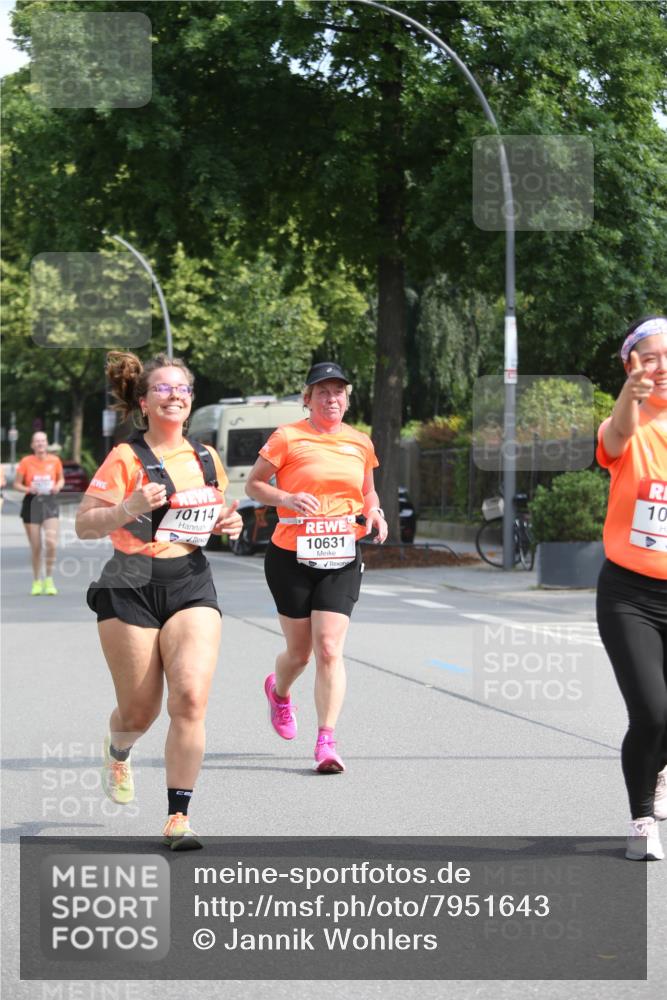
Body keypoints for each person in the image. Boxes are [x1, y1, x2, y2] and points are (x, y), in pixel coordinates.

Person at [75, 351, 243, 850]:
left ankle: (178, 816)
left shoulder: (206, 459)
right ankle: (119, 751)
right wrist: (126, 507)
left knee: (190, 697)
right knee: (139, 712)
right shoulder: (126, 458)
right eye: (164, 389)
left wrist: (225, 526)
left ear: (191, 402)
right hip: (129, 580)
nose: (174, 396)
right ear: (144, 403)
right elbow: (85, 524)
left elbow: (207, 520)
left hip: (190, 579)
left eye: (183, 389)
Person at [246, 361, 388, 774]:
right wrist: (286, 499)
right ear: (307, 399)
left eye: (338, 391)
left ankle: (326, 740)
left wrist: (375, 513)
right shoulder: (287, 437)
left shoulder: (360, 442)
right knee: (300, 652)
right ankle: (280, 692)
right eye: (322, 391)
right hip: (291, 555)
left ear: (347, 398)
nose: (332, 398)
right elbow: (255, 485)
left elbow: (368, 492)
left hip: (342, 552)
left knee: (329, 648)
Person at [596, 315, 667, 861]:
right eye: (649, 357)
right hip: (631, 593)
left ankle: (659, 768)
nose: (660, 367)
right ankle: (641, 818)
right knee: (652, 712)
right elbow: (617, 434)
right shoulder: (628, 423)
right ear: (631, 366)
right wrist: (630, 395)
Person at [14, 431, 65, 595]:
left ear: (47, 443)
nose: (40, 444)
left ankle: (49, 579)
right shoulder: (25, 462)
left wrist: (58, 486)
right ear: (32, 445)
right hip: (31, 503)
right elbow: (16, 484)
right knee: (36, 546)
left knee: (51, 543)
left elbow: (61, 479)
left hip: (49, 502)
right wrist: (29, 488)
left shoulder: (55, 460)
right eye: (37, 441)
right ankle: (37, 581)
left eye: (43, 440)